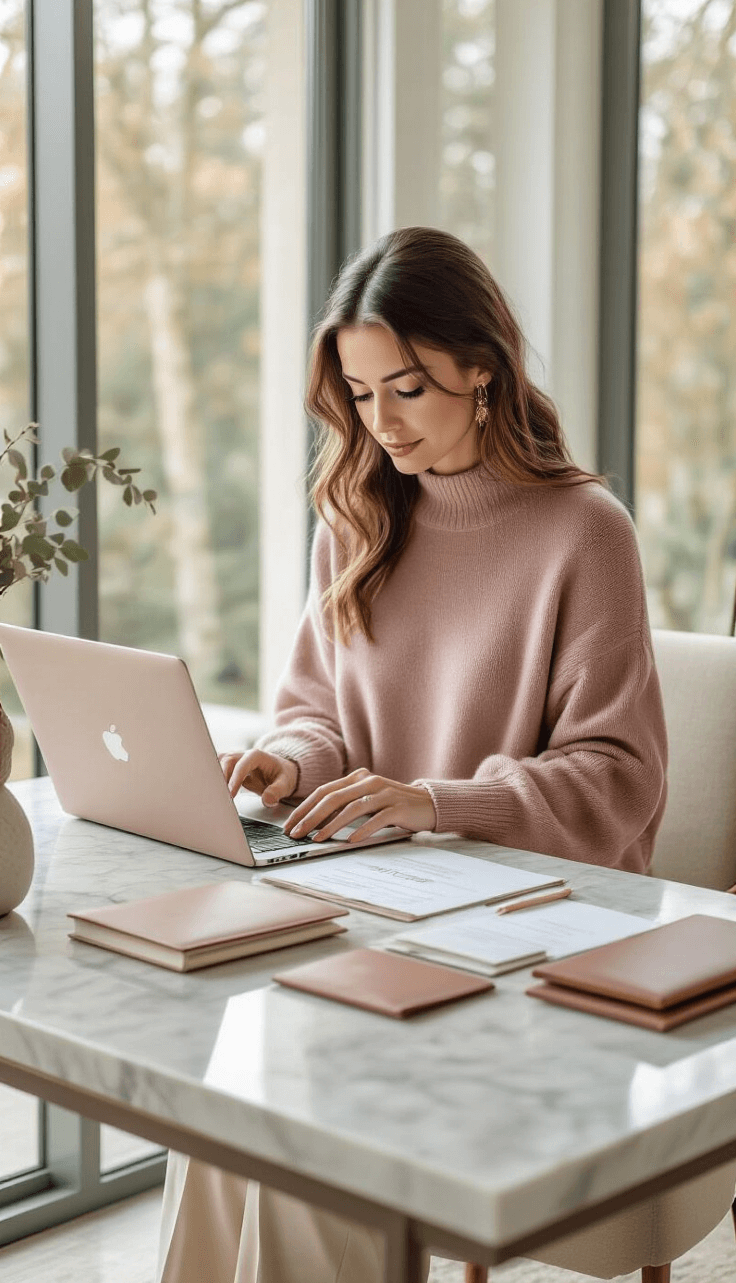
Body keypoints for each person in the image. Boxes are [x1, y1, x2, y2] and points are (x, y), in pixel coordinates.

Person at [157, 227, 667, 1283]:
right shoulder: (354, 518)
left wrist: (435, 802)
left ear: (481, 372)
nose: (378, 424)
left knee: (324, 1125)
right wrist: (288, 764)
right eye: (358, 394)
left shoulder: (582, 531)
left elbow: (620, 777)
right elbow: (318, 711)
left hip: (534, 942)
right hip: (377, 913)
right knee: (225, 1097)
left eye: (409, 390)